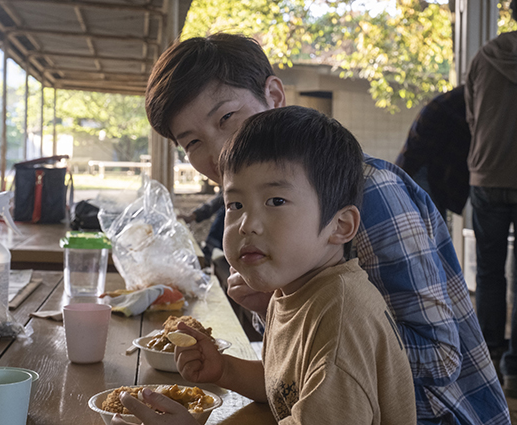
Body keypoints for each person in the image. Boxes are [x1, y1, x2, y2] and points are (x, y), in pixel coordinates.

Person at [144, 33, 509, 423]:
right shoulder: (260, 215)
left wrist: (302, 320)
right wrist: (272, 310)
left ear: (274, 95)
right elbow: (302, 376)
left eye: (227, 118)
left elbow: (438, 361)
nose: (217, 150)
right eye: (194, 142)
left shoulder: (370, 195)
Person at [115, 105, 417, 424]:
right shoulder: (295, 291)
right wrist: (224, 368)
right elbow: (286, 386)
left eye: (275, 201)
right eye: (235, 204)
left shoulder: (340, 319)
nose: (247, 224)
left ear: (340, 225)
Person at [465, 0, 517, 397]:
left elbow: (472, 116)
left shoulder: (484, 56)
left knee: (488, 274)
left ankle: (488, 363)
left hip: (485, 174)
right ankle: (515, 368)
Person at [395, 85, 471, 221]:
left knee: (431, 233)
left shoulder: (452, 101)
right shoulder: (468, 103)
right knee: (431, 233)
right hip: (423, 169)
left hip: (416, 167)